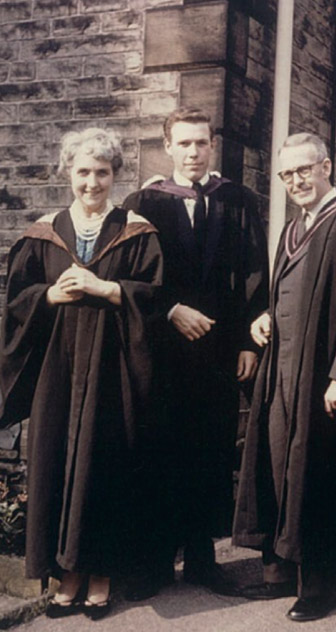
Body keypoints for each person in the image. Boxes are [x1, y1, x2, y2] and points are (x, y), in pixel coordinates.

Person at [0, 128, 163, 620]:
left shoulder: (137, 231)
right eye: (83, 172)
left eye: (102, 172)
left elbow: (154, 299)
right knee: (55, 462)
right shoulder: (42, 232)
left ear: (116, 175)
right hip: (58, 368)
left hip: (112, 369)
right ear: (68, 173)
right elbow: (16, 303)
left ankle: (100, 575)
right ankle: (65, 577)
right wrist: (47, 296)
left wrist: (106, 288)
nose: (92, 182)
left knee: (104, 465)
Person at [233, 132, 336, 621]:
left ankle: (318, 587)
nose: (295, 181)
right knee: (279, 465)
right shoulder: (293, 228)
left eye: (304, 170)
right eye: (286, 174)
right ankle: (280, 574)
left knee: (316, 474)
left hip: (323, 374)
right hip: (282, 371)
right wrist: (267, 315)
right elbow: (289, 293)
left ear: (326, 167)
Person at [123, 107, 269, 598]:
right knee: (160, 447)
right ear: (168, 146)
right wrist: (169, 311)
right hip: (161, 349)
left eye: (201, 143)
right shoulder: (144, 201)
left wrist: (249, 341)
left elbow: (254, 272)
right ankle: (156, 561)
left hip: (219, 349)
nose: (192, 152)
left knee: (210, 449)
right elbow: (132, 276)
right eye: (183, 143)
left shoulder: (237, 199)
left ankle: (204, 558)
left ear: (212, 145)